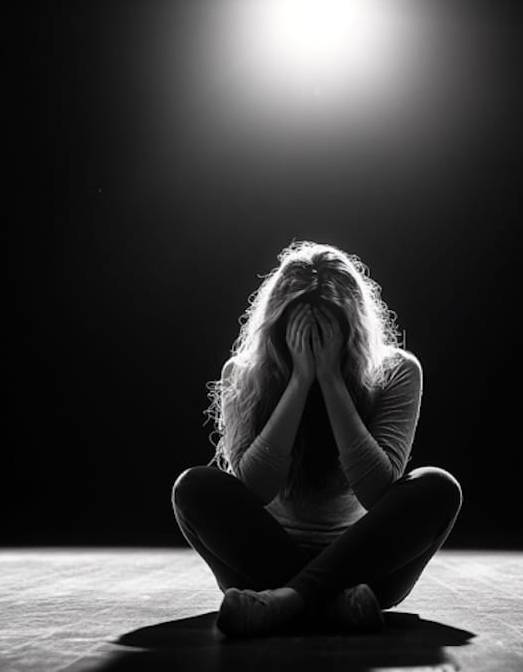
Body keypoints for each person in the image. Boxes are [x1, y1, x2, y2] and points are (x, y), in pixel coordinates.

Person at [172, 242, 462, 638]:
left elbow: (378, 489)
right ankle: (326, 605)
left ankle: (286, 603)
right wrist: (299, 380)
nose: (313, 342)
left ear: (354, 329)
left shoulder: (396, 371)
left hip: (365, 567)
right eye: (299, 332)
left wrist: (329, 379)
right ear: (276, 327)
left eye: (329, 332)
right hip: (263, 561)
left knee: (438, 487)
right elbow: (254, 488)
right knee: (194, 487)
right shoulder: (242, 374)